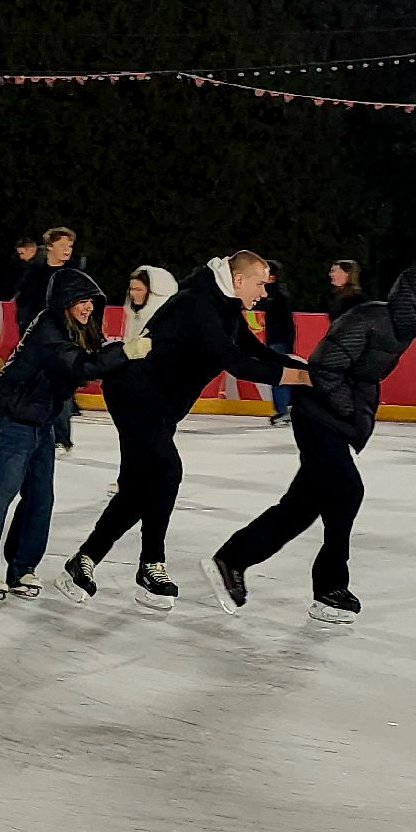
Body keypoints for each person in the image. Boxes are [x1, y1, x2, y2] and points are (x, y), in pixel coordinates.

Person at [57, 251, 310, 611]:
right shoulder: (199, 302)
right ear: (238, 280)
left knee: (136, 489)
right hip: (136, 392)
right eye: (259, 284)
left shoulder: (225, 305)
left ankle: (83, 561)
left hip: (157, 404)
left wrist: (300, 365)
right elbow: (233, 361)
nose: (263, 293)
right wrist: (298, 377)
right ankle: (151, 565)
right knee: (166, 471)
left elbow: (252, 349)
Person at [202, 265, 416, 624]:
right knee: (347, 491)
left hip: (333, 418)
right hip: (317, 415)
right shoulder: (370, 319)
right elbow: (323, 368)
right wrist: (351, 410)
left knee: (301, 507)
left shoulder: (401, 327)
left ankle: (232, 560)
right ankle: (330, 589)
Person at [0, 270, 148, 599]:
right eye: (81, 301)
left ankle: (22, 569)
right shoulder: (48, 326)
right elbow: (79, 366)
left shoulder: (80, 330)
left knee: (40, 500)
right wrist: (125, 351)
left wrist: (129, 358)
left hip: (42, 422)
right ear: (65, 302)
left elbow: (97, 360)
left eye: (91, 301)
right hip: (15, 419)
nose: (88, 307)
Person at [105, 265, 178, 495]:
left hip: (158, 388)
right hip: (133, 385)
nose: (134, 294)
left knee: (153, 439)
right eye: (132, 289)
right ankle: (128, 479)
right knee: (130, 437)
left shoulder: (163, 316)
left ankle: (149, 479)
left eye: (139, 289)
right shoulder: (134, 314)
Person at [14, 227, 79, 447]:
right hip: (37, 339)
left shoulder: (73, 276)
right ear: (49, 247)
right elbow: (24, 304)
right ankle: (36, 430)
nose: (67, 251)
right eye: (62, 246)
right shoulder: (34, 273)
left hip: (63, 340)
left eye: (69, 246)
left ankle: (61, 437)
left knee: (61, 385)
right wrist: (26, 332)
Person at [260, 260, 297, 426]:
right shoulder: (277, 294)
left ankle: (283, 410)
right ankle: (283, 409)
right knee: (279, 376)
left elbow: (284, 323)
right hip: (278, 340)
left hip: (278, 341)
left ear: (272, 277)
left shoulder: (276, 296)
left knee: (279, 376)